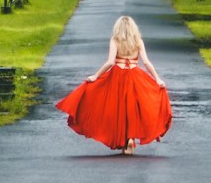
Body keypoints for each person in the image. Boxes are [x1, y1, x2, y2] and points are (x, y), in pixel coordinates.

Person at [56, 14, 171, 154]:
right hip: (135, 75)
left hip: (117, 76)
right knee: (133, 108)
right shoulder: (138, 41)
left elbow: (110, 62)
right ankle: (130, 138)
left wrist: (96, 76)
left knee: (119, 108)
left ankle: (124, 140)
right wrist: (157, 78)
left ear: (118, 28)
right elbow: (146, 62)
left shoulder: (115, 40)